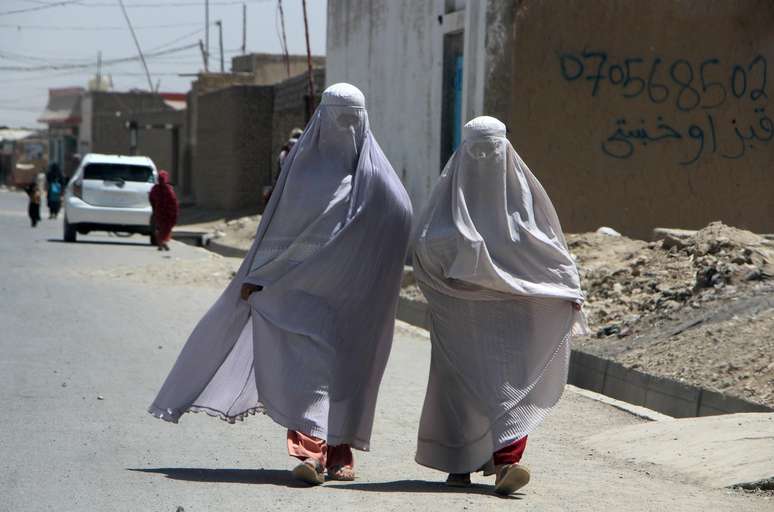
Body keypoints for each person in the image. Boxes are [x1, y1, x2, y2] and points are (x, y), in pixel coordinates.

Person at [149, 83, 412, 485]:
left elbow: (397, 225)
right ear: (321, 119)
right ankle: (311, 451)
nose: (344, 127)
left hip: (354, 302)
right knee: (310, 371)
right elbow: (278, 231)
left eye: (351, 119)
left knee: (345, 375)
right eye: (338, 118)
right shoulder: (301, 173)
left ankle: (338, 452)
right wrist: (259, 278)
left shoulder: (378, 181)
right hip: (301, 296)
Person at [411, 116, 587, 496]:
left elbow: (549, 253)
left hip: (513, 317)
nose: (485, 158)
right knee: (459, 390)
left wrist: (567, 289)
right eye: (477, 149)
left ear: (505, 151)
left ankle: (507, 462)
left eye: (491, 150)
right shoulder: (447, 203)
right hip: (460, 314)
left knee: (508, 387)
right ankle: (460, 462)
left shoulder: (525, 202)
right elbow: (424, 250)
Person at [148, 170, 179, 251]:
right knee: (165, 228)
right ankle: (163, 242)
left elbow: (151, 199)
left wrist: (155, 207)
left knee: (159, 228)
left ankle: (161, 243)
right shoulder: (169, 189)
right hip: (167, 213)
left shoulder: (155, 188)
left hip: (159, 211)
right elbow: (174, 201)